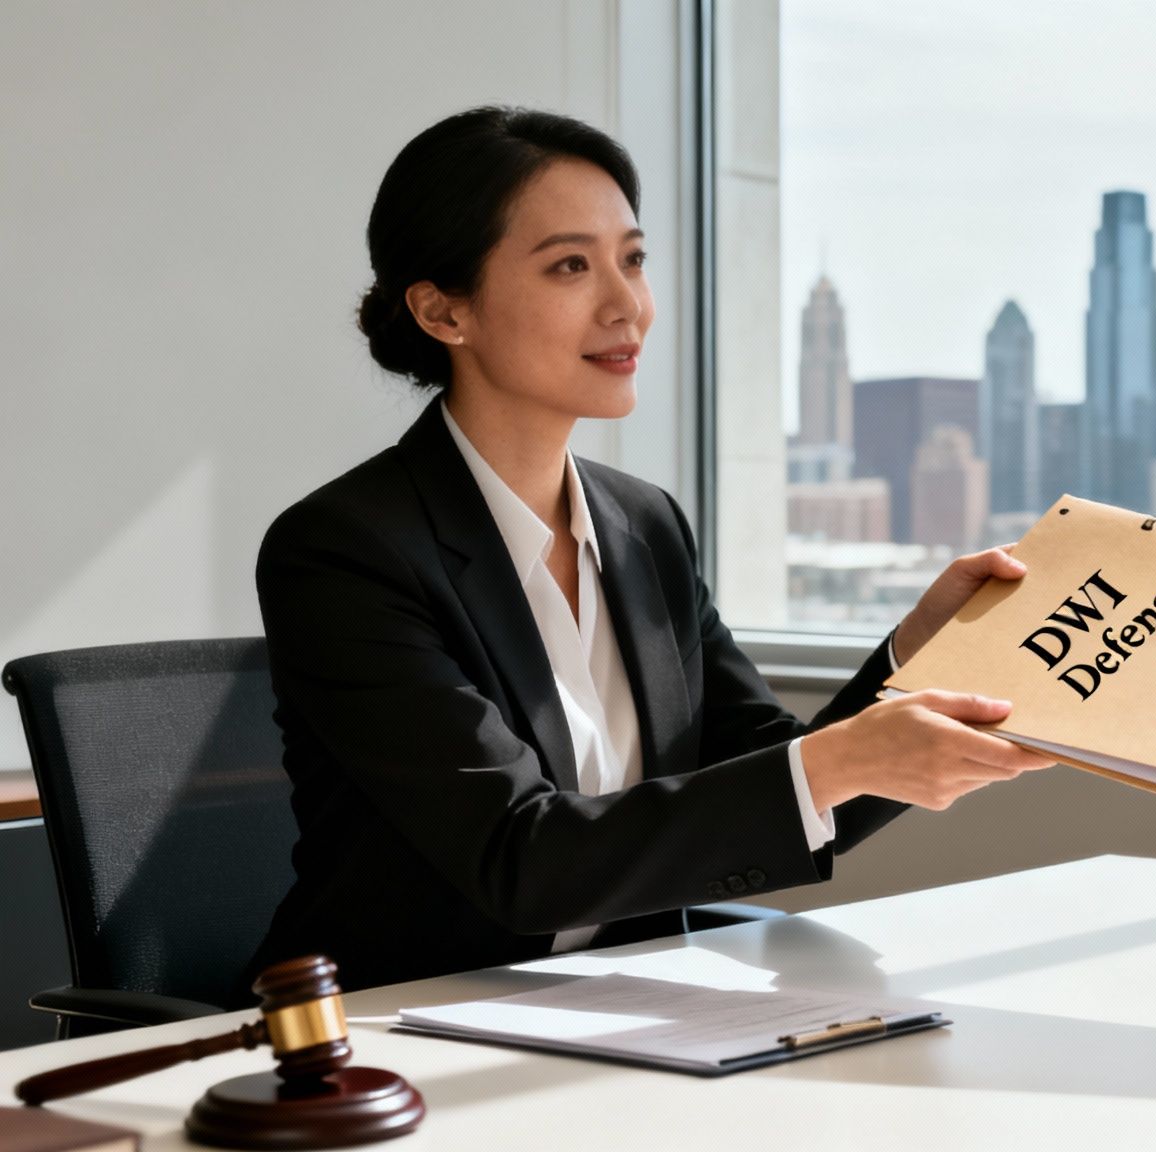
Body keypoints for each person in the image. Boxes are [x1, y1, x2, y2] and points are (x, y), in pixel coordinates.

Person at [248, 107, 1052, 991]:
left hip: (623, 1005)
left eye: (632, 260)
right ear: (445, 311)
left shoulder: (645, 526)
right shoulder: (344, 552)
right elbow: (521, 860)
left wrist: (918, 654)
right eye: (570, 266)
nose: (627, 305)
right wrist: (838, 761)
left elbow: (775, 784)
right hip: (394, 1024)